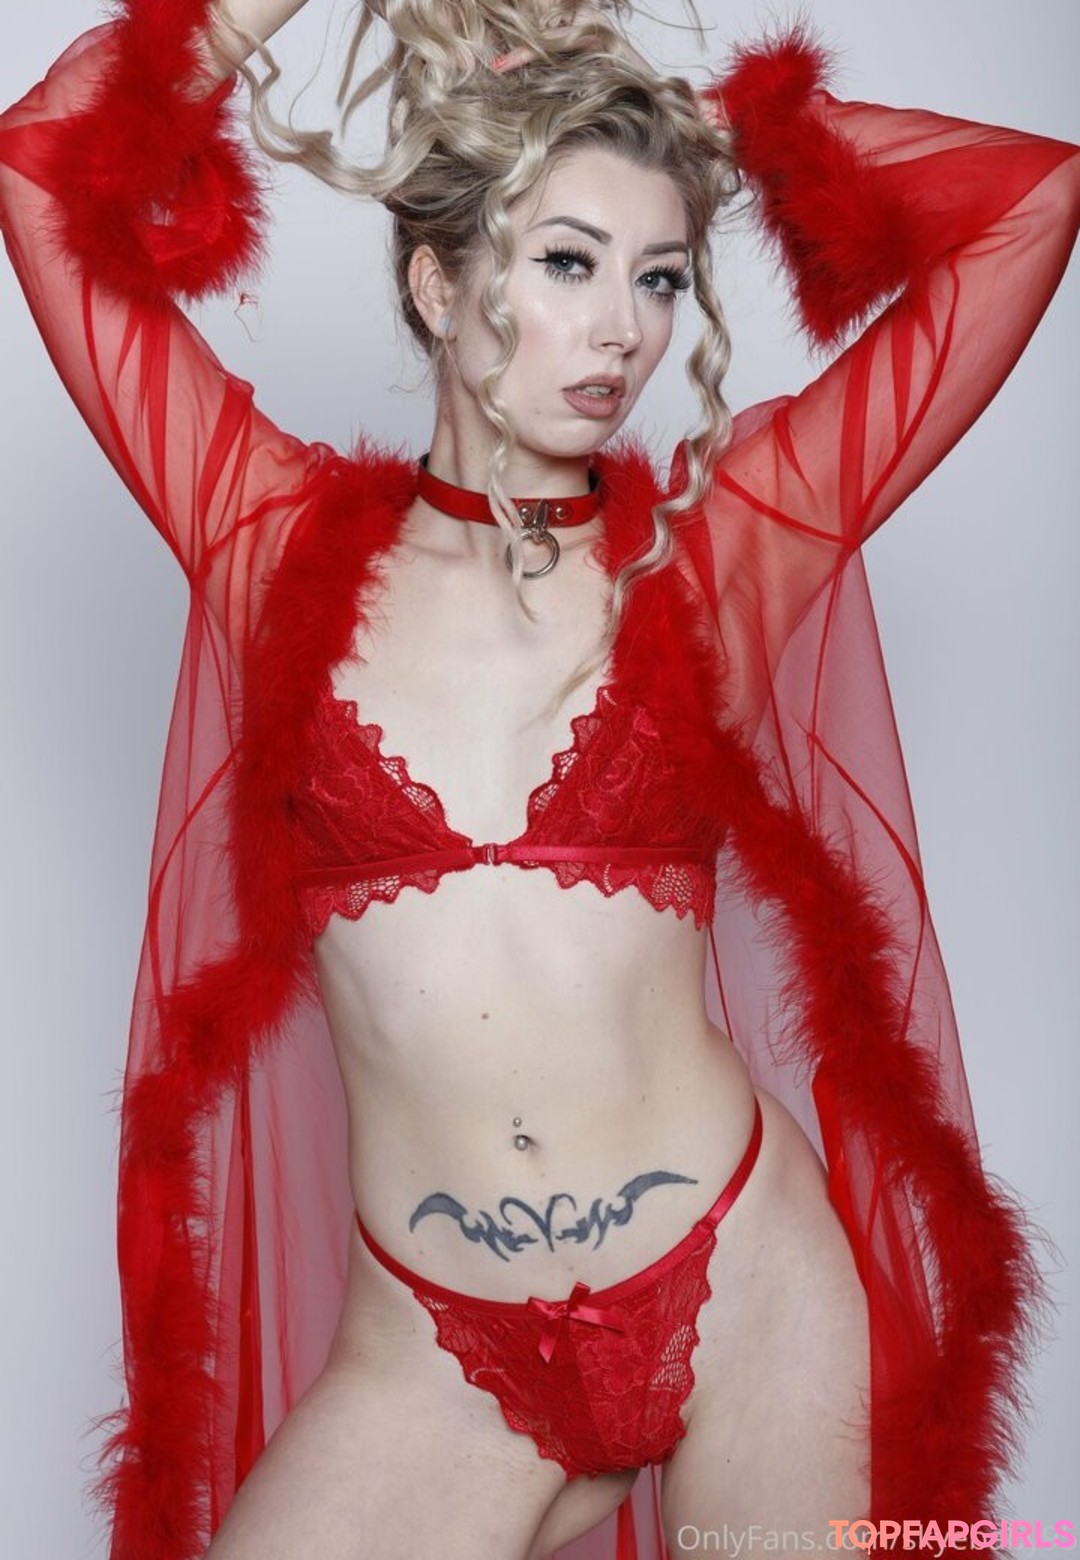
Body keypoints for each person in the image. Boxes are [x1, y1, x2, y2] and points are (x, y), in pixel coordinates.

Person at [1, 1, 1077, 1556]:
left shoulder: (718, 556)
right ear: (441, 284)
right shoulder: (265, 541)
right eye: (569, 263)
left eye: (659, 277)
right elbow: (42, 171)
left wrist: (680, 122)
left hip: (745, 1291)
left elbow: (1032, 207)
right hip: (436, 1359)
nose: (624, 330)